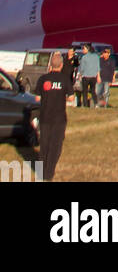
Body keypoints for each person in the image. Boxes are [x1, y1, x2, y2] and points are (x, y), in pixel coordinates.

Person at [34, 52, 73, 181]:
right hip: (59, 118)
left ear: (50, 65)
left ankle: (41, 173)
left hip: (45, 116)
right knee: (55, 146)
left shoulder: (43, 79)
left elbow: (37, 98)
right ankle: (49, 174)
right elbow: (71, 97)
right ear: (61, 65)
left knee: (44, 145)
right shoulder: (65, 79)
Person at [77, 44, 99, 108]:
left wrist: (79, 75)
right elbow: (98, 67)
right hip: (93, 77)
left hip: (86, 76)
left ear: (87, 49)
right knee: (93, 91)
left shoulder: (84, 57)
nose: (82, 50)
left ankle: (85, 104)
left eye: (83, 49)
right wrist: (98, 75)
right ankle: (96, 103)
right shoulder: (96, 56)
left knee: (85, 91)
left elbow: (82, 68)